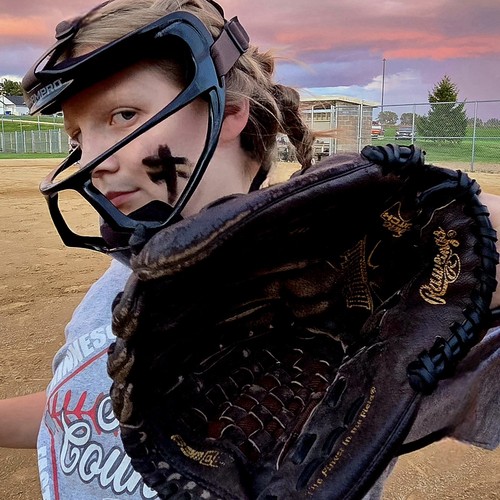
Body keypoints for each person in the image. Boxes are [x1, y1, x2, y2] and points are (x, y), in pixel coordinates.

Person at [0, 0, 498, 498]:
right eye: (77, 137)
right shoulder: (123, 284)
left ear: (229, 112)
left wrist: (443, 209)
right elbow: (82, 409)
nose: (93, 161)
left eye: (123, 115)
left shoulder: (353, 287)